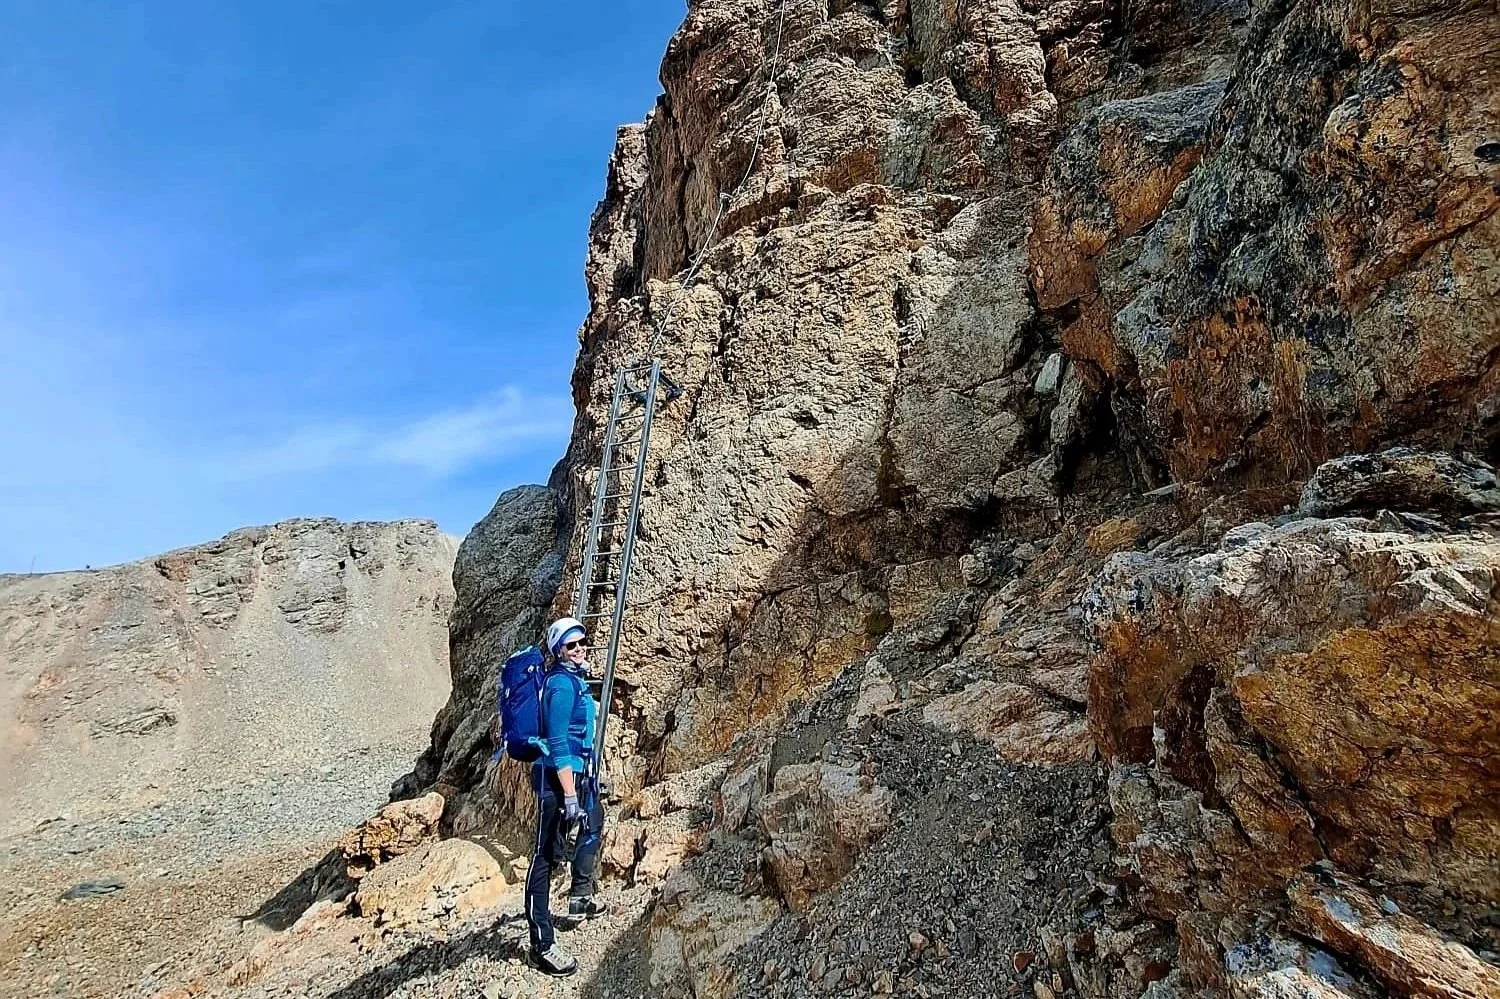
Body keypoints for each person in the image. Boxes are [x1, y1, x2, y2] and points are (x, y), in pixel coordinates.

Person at [525, 616, 609, 976]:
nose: (579, 649)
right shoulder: (560, 685)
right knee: (545, 856)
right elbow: (558, 742)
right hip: (556, 779)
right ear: (558, 649)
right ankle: (541, 943)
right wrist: (570, 793)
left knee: (595, 821)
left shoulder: (572, 679)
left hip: (576, 773)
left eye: (582, 642)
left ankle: (580, 895)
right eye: (571, 645)